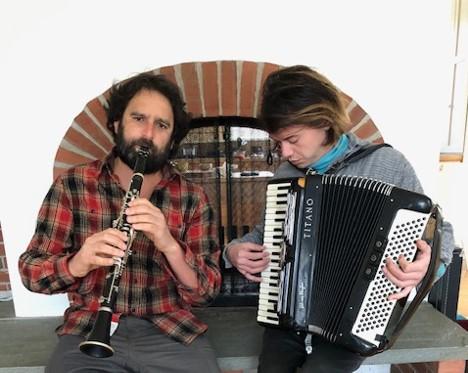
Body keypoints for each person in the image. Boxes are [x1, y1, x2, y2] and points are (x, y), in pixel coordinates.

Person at [224, 65, 455, 373]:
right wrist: (234, 250)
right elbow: (262, 236)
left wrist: (428, 266)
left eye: (292, 138)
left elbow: (440, 232)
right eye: (278, 142)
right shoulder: (286, 177)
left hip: (359, 317)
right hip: (290, 315)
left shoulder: (386, 164)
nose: (285, 152)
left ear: (324, 122)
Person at [19, 72, 222, 373]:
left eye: (162, 125)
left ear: (173, 139)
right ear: (117, 124)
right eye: (138, 118)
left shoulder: (193, 197)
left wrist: (169, 245)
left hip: (171, 331)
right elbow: (31, 273)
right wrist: (79, 262)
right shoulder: (73, 185)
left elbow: (205, 293)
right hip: (88, 327)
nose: (148, 134)